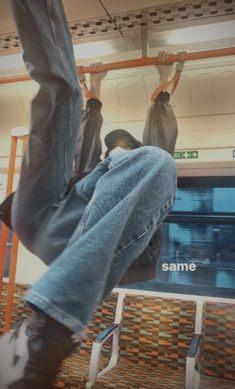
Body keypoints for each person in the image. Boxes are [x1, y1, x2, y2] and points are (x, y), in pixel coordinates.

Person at [0, 1, 183, 388]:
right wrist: (93, 92)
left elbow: (158, 143)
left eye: (122, 149)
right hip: (55, 213)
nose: (118, 152)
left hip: (83, 234)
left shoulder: (137, 170)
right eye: (114, 149)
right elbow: (82, 124)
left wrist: (166, 82)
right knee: (64, 95)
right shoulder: (95, 167)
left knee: (160, 161)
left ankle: (45, 333)